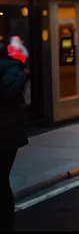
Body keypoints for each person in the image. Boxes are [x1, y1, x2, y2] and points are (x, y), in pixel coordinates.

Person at [0, 41, 28, 231]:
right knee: (3, 179)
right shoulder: (15, 70)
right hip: (12, 134)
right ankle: (7, 222)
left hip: (4, 133)